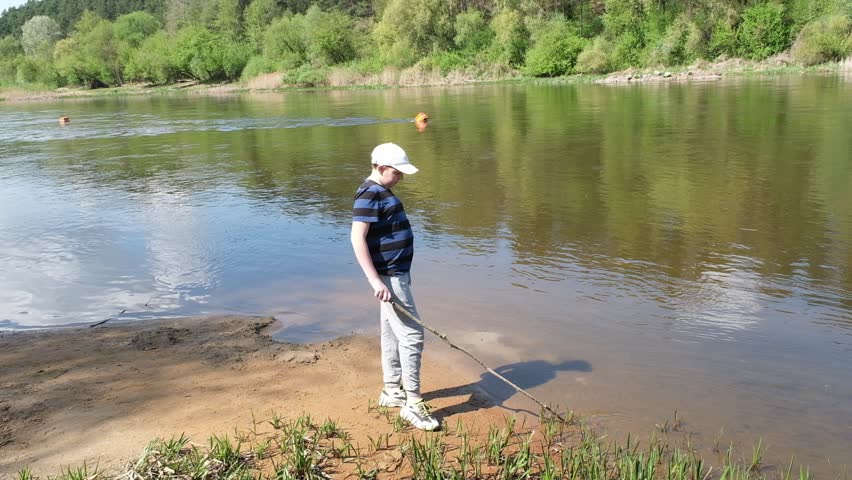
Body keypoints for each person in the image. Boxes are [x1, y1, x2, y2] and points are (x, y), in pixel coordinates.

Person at [350, 142, 439, 431]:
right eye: (397, 173)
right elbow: (357, 239)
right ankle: (413, 404)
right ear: (381, 167)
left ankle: (391, 391)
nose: (400, 177)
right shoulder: (369, 194)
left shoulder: (381, 191)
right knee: (413, 336)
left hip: (395, 274)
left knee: (391, 332)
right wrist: (375, 280)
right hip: (389, 276)